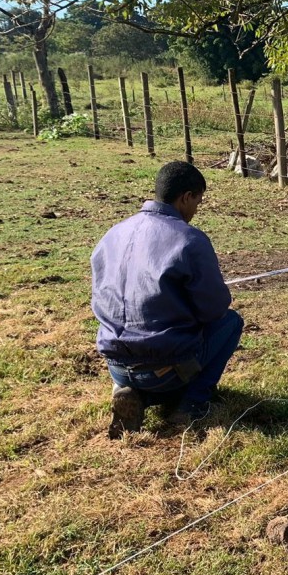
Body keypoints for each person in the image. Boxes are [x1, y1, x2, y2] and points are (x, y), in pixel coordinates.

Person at [91, 161, 244, 439]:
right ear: (186, 197)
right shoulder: (190, 240)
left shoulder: (112, 234)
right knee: (231, 322)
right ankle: (192, 403)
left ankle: (134, 394)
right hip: (165, 369)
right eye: (198, 200)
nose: (197, 209)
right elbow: (214, 309)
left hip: (116, 365)